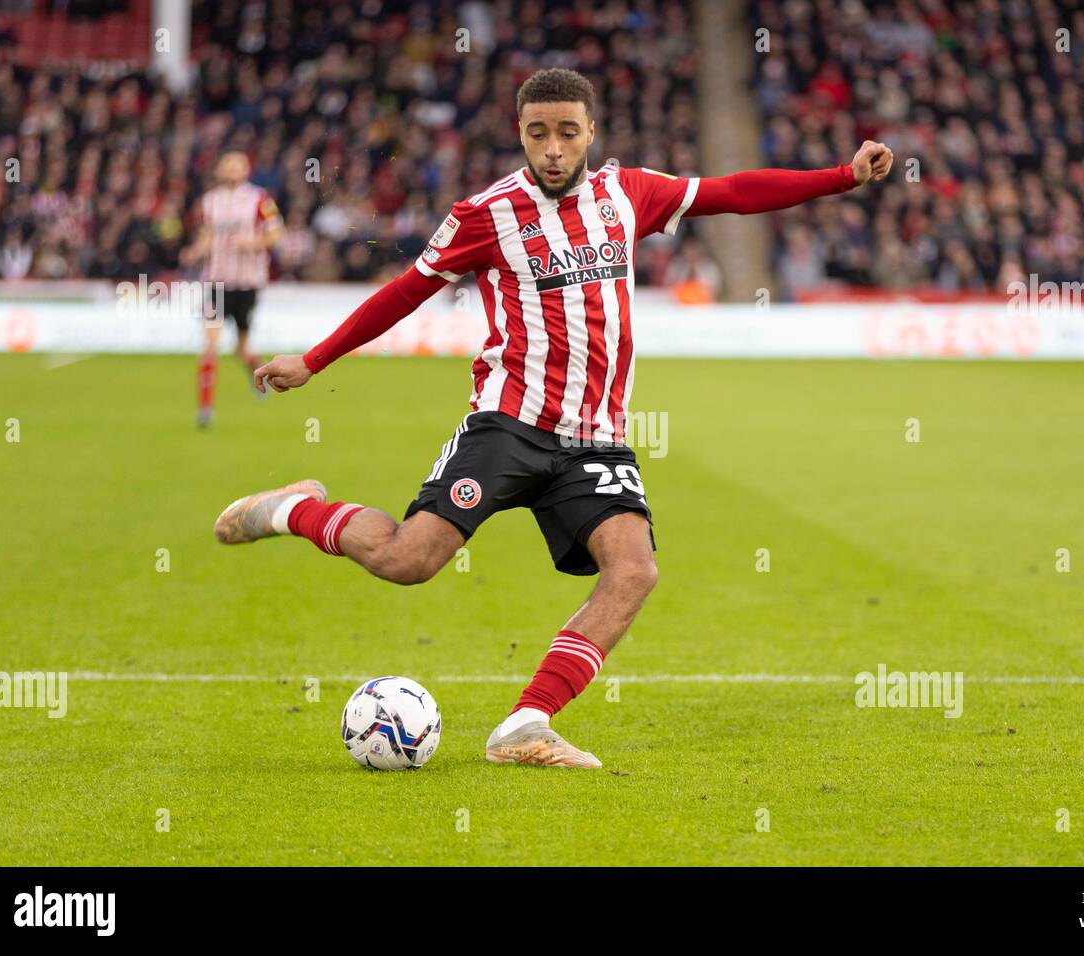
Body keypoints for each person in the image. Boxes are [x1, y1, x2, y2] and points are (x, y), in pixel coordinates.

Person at [213, 69, 892, 767]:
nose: (554, 148)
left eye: (568, 132)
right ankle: (293, 511)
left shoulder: (630, 194)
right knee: (408, 561)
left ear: (591, 132)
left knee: (634, 571)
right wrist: (315, 359)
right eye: (539, 133)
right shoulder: (486, 213)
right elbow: (406, 292)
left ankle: (525, 726)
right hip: (509, 425)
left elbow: (734, 193)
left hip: (596, 439)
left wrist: (842, 176)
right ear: (521, 134)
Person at [181, 151, 285, 428]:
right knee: (210, 345)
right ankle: (205, 409)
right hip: (216, 281)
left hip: (248, 283)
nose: (230, 170)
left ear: (246, 170)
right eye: (226, 165)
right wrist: (194, 252)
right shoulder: (209, 201)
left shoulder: (260, 199)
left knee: (241, 348)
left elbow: (277, 233)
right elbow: (207, 235)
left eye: (236, 165)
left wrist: (252, 244)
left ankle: (257, 372)